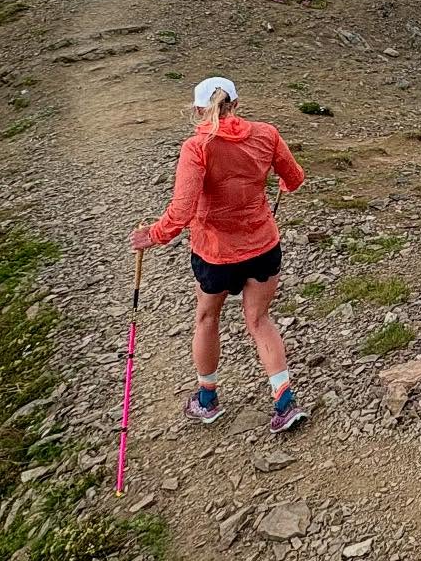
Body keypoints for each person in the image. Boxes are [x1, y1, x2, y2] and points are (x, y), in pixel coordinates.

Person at [128, 76, 308, 432]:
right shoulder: (267, 134)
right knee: (259, 321)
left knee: (207, 319)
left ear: (197, 110)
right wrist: (285, 184)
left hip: (214, 253)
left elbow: (181, 212)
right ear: (236, 104)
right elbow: (295, 177)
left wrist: (153, 235)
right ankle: (284, 402)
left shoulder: (197, 147)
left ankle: (207, 400)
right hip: (262, 245)